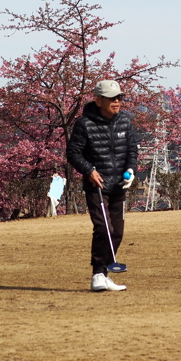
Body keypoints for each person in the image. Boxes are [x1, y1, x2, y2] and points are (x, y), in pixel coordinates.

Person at [66, 80, 139, 292]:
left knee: (117, 232)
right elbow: (73, 153)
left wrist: (131, 171)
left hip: (119, 186)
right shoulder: (84, 124)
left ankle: (105, 273)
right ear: (98, 100)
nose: (116, 102)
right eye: (111, 98)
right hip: (97, 185)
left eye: (119, 98)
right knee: (103, 228)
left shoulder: (125, 121)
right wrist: (89, 170)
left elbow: (132, 151)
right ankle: (97, 273)